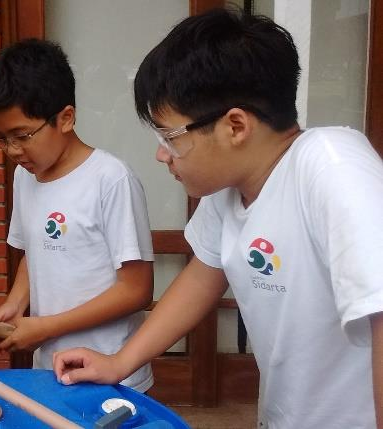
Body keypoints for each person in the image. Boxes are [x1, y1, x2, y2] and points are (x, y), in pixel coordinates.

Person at [53, 7, 383, 428]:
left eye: (168, 137)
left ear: (236, 126)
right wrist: (120, 363)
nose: (161, 155)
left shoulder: (332, 165)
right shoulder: (228, 191)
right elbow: (202, 277)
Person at [0, 39, 156, 392]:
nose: (13, 150)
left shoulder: (110, 179)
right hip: (50, 369)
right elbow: (35, 250)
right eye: (0, 138)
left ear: (66, 118)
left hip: (114, 370)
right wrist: (15, 305)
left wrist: (45, 327)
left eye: (22, 135)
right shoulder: (25, 176)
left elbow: (136, 291)